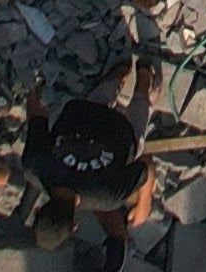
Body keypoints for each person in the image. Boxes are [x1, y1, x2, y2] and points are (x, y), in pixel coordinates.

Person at [27, 65, 156, 238]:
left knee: (137, 128)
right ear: (37, 209)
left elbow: (146, 166)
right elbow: (36, 113)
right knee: (94, 104)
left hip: (122, 130)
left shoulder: (108, 197)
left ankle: (144, 79)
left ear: (74, 225)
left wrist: (144, 204)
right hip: (81, 112)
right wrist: (35, 90)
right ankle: (120, 73)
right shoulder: (34, 166)